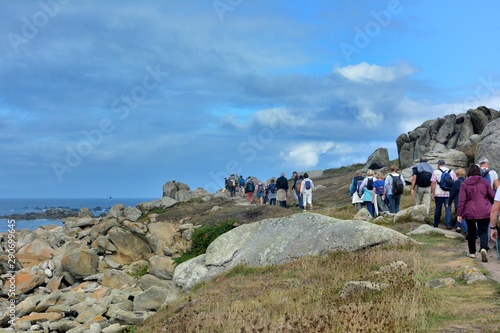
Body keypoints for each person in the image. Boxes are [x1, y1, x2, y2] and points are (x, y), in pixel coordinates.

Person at [457, 164, 495, 261]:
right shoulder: (485, 182)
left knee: (471, 231)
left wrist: (459, 213)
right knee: (483, 231)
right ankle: (483, 248)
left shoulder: (465, 183)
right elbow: (492, 195)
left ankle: (472, 252)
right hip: (484, 209)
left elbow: (462, 200)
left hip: (470, 211)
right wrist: (492, 205)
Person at [431, 160, 456, 229]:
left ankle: (436, 223)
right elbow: (455, 181)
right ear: (445, 164)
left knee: (438, 208)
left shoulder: (435, 172)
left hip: (438, 194)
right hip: (448, 194)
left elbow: (433, 183)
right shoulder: (451, 171)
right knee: (448, 209)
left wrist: (432, 194)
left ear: (438, 165)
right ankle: (448, 224)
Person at [449, 168, 467, 234]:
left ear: (457, 175)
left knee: (461, 215)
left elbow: (452, 194)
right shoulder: (467, 182)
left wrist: (449, 202)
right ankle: (458, 227)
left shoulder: (456, 183)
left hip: (458, 202)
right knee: (461, 215)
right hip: (467, 202)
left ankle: (466, 231)